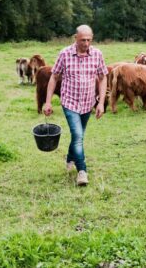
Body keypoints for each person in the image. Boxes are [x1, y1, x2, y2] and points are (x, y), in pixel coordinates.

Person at [43, 25, 108, 186]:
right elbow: (54, 77)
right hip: (70, 102)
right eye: (82, 40)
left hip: (88, 103)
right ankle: (82, 171)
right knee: (78, 136)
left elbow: (103, 77)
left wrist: (101, 103)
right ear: (75, 38)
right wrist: (48, 101)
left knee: (78, 135)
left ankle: (70, 158)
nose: (86, 43)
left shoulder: (97, 54)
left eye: (88, 40)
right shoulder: (65, 54)